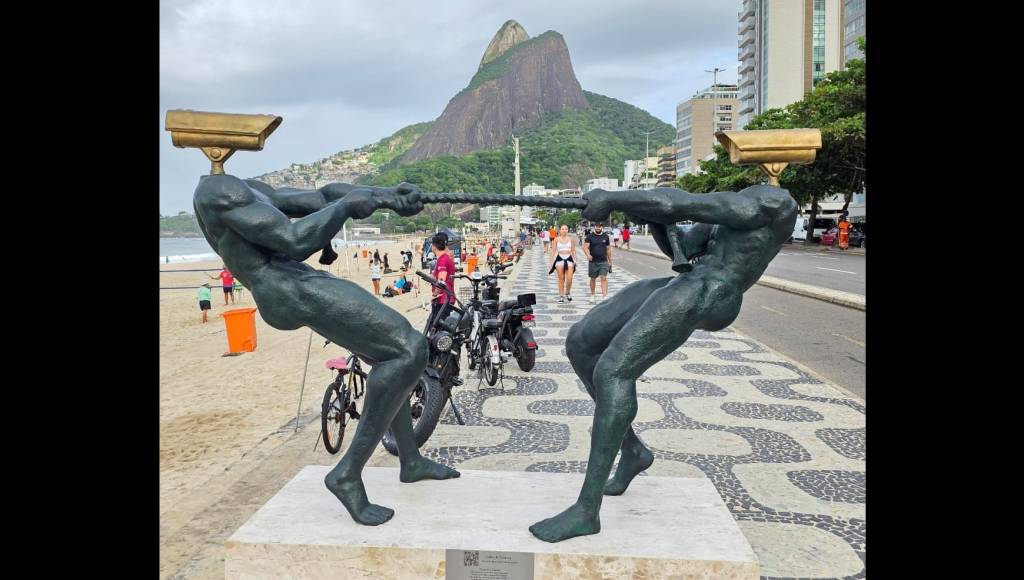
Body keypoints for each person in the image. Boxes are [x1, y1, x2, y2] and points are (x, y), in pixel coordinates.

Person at [526, 184, 797, 543]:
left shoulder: (773, 203)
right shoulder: (737, 201)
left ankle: (586, 510)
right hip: (688, 279)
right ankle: (633, 451)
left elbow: (678, 203)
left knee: (613, 370)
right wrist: (651, 217)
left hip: (714, 291)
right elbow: (680, 247)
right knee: (580, 343)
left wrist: (615, 199)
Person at [192, 175, 458, 527]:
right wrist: (348, 205)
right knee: (409, 349)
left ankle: (410, 460)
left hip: (294, 279)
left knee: (390, 355)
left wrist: (387, 196)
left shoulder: (245, 186)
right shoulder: (218, 190)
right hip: (286, 287)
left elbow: (319, 197)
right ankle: (347, 474)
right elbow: (294, 240)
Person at [429, 233, 456, 323]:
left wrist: (434, 294)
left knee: (436, 326)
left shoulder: (443, 260)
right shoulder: (445, 258)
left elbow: (441, 281)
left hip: (443, 299)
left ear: (434, 247)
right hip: (447, 298)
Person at [584, 223, 612, 304]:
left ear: (601, 227)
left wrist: (610, 261)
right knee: (593, 279)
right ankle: (592, 295)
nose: (598, 228)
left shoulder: (605, 237)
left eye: (599, 227)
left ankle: (604, 296)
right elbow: (585, 247)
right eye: (596, 227)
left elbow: (608, 249)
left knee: (603, 278)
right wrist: (588, 255)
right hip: (593, 261)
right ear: (594, 227)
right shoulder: (590, 236)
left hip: (603, 261)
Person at [549, 224, 577, 303]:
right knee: (561, 279)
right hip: (560, 259)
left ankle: (567, 292)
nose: (564, 230)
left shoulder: (571, 239)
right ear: (560, 230)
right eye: (562, 229)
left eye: (566, 229)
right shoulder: (556, 239)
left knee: (569, 278)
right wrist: (550, 261)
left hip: (569, 259)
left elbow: (573, 250)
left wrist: (575, 260)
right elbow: (553, 251)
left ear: (568, 230)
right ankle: (561, 296)